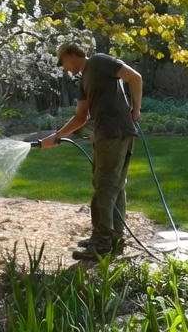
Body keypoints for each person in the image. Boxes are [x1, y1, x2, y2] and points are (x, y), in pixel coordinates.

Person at [40, 41, 143, 261]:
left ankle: (101, 244)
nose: (65, 68)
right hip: (106, 134)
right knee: (114, 185)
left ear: (71, 54)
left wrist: (136, 109)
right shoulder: (84, 80)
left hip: (115, 133)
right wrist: (57, 136)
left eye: (63, 62)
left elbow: (135, 77)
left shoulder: (98, 62)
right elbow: (80, 117)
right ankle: (114, 237)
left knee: (104, 186)